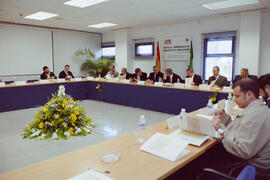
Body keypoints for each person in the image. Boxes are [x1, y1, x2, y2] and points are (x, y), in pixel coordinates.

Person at [211, 79, 270, 177]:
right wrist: (224, 116)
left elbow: (242, 151)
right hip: (253, 162)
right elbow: (238, 130)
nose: (234, 99)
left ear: (249, 95)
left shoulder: (254, 116)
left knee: (201, 160)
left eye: (237, 96)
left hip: (252, 168)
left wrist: (221, 129)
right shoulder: (257, 109)